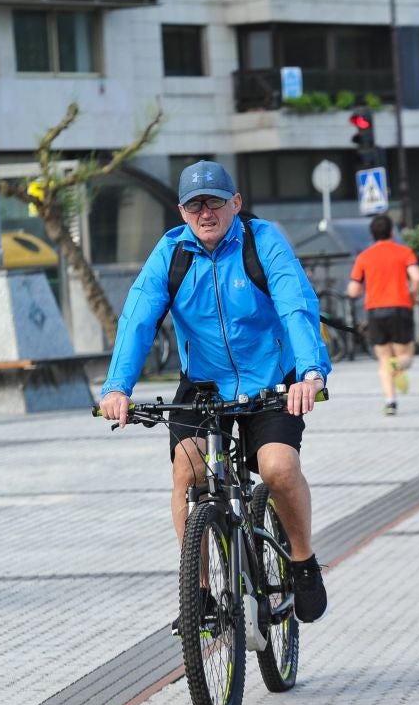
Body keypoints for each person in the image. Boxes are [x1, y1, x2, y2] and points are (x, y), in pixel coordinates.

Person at [97, 160, 331, 623]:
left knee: (278, 468)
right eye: (194, 205)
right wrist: (117, 388)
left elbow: (295, 306)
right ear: (183, 211)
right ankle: (200, 591)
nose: (206, 213)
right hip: (203, 385)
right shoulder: (171, 253)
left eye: (216, 202)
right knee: (188, 473)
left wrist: (309, 372)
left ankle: (302, 562)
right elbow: (138, 319)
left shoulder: (263, 243)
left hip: (271, 381)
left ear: (236, 204)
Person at [346, 214, 419, 416]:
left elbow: (353, 290)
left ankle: (390, 402)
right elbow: (417, 277)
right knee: (406, 356)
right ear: (392, 232)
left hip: (375, 311)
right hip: (400, 308)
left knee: (383, 359)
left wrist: (362, 289)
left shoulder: (364, 257)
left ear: (372, 234)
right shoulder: (404, 252)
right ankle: (399, 365)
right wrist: (415, 295)